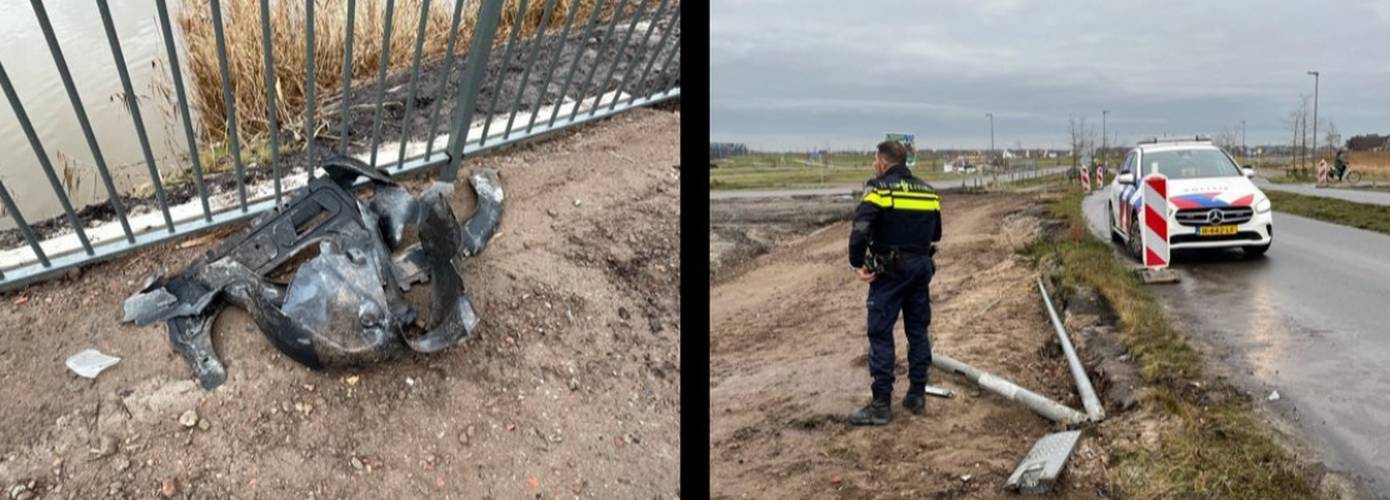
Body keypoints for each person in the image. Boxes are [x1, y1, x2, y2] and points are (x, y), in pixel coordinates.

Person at [846, 140, 943, 426]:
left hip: (889, 272)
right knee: (918, 331)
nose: (874, 165)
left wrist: (857, 263)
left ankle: (880, 406)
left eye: (875, 160)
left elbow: (860, 228)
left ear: (884, 162)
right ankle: (916, 395)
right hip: (921, 268)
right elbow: (936, 233)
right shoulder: (928, 192)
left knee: (880, 334)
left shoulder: (878, 188)